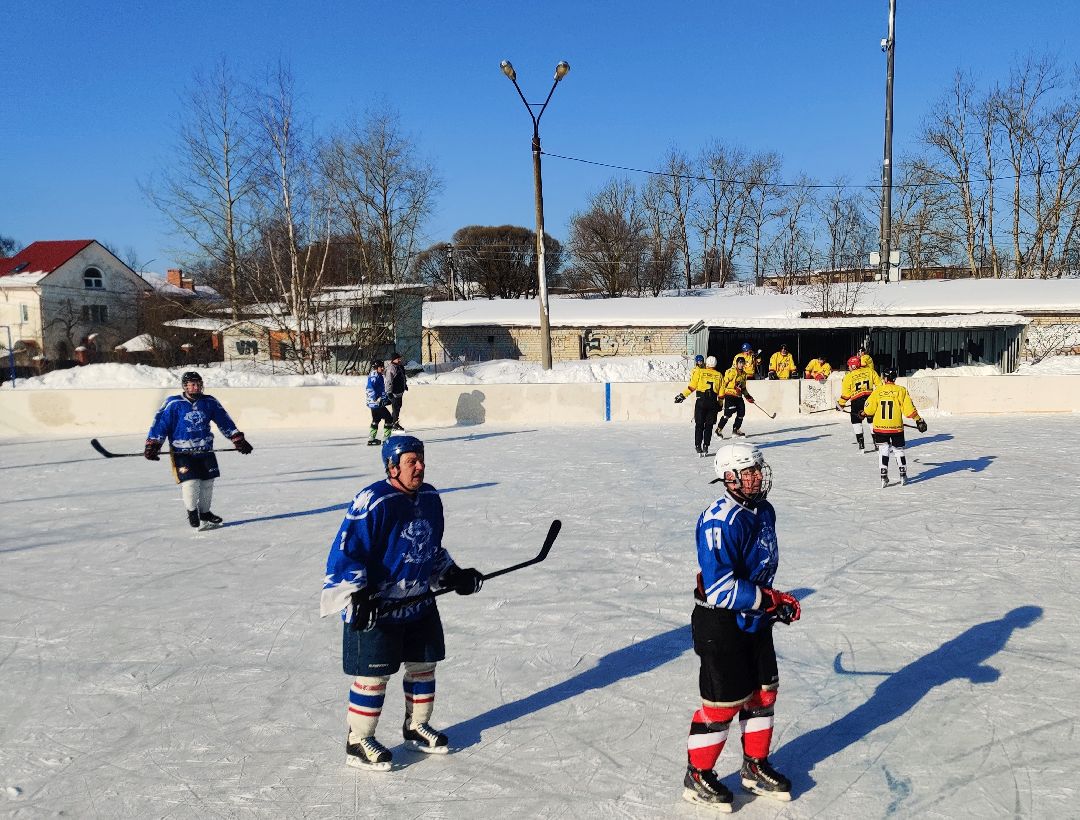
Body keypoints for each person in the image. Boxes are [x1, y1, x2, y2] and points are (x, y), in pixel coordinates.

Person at [320, 436, 484, 770]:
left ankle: (416, 726)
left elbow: (429, 549)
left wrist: (452, 574)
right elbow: (346, 551)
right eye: (411, 461)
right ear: (392, 467)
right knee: (373, 676)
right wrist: (356, 594)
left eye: (421, 460)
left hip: (418, 601)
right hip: (378, 606)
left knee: (424, 666)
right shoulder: (374, 501)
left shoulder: (430, 497)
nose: (420, 466)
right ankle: (358, 739)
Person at [682, 442, 800, 809]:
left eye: (757, 469)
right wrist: (771, 600)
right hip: (721, 623)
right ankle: (697, 775)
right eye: (747, 471)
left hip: (753, 618)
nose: (755, 477)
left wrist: (768, 602)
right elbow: (719, 588)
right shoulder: (720, 520)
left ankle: (755, 766)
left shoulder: (764, 510)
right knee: (722, 705)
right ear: (728, 478)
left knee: (763, 694)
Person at [144, 371, 254, 530]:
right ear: (185, 386)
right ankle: (192, 512)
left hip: (205, 449)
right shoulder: (173, 403)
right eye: (192, 384)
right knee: (191, 482)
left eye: (198, 384)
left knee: (208, 482)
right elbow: (160, 424)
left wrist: (237, 439)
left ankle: (205, 512)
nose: (196, 387)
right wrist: (153, 444)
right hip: (182, 452)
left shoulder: (209, 401)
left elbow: (224, 421)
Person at [862, 369, 927, 488]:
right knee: (898, 450)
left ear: (885, 379)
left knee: (883, 450)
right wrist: (919, 420)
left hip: (880, 428)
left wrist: (863, 413)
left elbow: (869, 409)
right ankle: (903, 475)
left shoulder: (878, 391)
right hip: (896, 427)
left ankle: (883, 476)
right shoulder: (901, 390)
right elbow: (909, 410)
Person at [675, 355, 725, 456]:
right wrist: (720, 404)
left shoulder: (700, 371)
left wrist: (682, 396)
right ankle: (706, 446)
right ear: (715, 364)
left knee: (699, 425)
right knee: (709, 426)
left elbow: (692, 387)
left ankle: (698, 446)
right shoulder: (719, 375)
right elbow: (721, 392)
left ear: (706, 363)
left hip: (701, 401)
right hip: (712, 402)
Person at [836, 355, 882, 451]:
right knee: (872, 421)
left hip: (856, 401)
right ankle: (876, 442)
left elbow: (846, 394)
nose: (848, 367)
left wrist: (840, 404)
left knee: (856, 421)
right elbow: (879, 385)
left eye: (849, 365)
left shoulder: (848, 377)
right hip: (870, 399)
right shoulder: (870, 371)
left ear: (853, 366)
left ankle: (861, 443)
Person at [715, 356, 756, 439]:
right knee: (728, 414)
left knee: (741, 413)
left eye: (743, 363)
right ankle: (718, 430)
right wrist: (721, 396)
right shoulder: (731, 372)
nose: (741, 365)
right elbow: (724, 384)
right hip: (730, 395)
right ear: (736, 363)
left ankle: (736, 430)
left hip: (738, 396)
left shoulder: (744, 374)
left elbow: (743, 388)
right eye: (740, 363)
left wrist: (748, 396)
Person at [366, 360, 393, 446]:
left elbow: (380, 389)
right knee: (389, 419)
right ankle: (386, 439)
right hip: (376, 403)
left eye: (382, 366)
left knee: (376, 419)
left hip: (374, 403)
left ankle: (371, 439)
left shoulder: (378, 375)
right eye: (380, 367)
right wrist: (376, 398)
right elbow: (370, 388)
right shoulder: (374, 375)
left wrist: (386, 398)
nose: (382, 368)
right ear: (376, 368)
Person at [384, 352, 408, 432]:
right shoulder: (391, 368)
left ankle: (395, 422)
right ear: (394, 359)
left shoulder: (399, 367)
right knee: (395, 408)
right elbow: (389, 381)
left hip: (399, 391)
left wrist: (405, 385)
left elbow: (402, 378)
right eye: (398, 358)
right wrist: (389, 391)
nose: (399, 360)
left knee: (398, 407)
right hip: (394, 392)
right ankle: (394, 424)